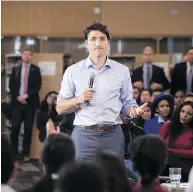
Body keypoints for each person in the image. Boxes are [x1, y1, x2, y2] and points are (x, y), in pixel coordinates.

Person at [56, 22, 146, 160]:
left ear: (108, 43)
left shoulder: (122, 71)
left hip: (113, 134)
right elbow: (60, 108)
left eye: (102, 39)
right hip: (84, 134)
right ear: (86, 43)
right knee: (82, 178)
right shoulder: (73, 71)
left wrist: (133, 111)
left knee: (112, 179)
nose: (98, 43)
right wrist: (78, 99)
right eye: (93, 39)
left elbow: (127, 103)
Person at [9, 47, 42, 162]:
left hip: (30, 104)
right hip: (17, 104)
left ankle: (25, 153)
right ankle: (13, 153)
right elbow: (11, 85)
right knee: (15, 128)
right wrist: (18, 95)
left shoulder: (36, 69)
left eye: (29, 54)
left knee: (28, 130)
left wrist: (26, 96)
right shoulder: (15, 69)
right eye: (25, 54)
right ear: (22, 56)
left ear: (31, 56)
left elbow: (37, 86)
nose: (26, 56)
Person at [159, 101, 193, 181]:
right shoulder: (168, 126)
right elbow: (158, 145)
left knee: (167, 155)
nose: (184, 115)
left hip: (187, 164)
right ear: (179, 111)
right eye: (182, 111)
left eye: (189, 114)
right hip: (166, 164)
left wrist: (170, 151)